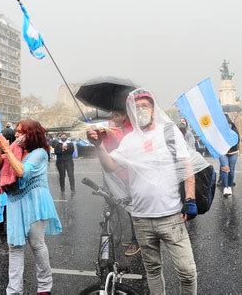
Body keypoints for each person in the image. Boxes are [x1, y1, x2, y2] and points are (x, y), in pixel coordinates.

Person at [87, 88, 204, 294]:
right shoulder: (130, 140)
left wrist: (190, 198)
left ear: (153, 108)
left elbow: (186, 165)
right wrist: (99, 146)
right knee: (152, 270)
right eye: (136, 106)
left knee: (187, 271)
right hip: (141, 218)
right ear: (131, 110)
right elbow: (111, 166)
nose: (141, 110)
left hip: (171, 216)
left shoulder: (168, 131)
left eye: (145, 106)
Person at [0, 119, 62, 294]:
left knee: (37, 244)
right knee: (14, 247)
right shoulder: (16, 149)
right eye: (16, 131)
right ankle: (14, 291)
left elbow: (22, 172)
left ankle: (45, 287)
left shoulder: (40, 153)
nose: (16, 135)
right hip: (15, 202)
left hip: (35, 202)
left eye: (20, 132)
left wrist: (7, 148)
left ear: (31, 134)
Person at [102, 108, 140, 257]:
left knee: (133, 209)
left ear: (125, 115)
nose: (112, 117)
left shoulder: (131, 129)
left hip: (130, 175)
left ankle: (136, 241)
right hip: (117, 174)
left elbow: (122, 148)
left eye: (115, 114)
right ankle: (131, 237)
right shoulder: (119, 128)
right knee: (121, 206)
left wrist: (109, 133)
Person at [219, 115, 240, 196]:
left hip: (233, 153)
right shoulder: (219, 130)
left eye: (229, 124)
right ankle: (225, 187)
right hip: (223, 153)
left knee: (231, 171)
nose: (228, 126)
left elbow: (237, 141)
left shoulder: (234, 130)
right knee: (225, 169)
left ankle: (230, 185)